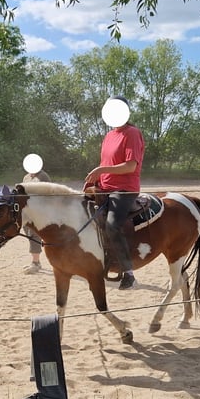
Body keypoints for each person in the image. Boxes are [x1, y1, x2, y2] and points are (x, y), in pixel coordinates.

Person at [85, 96, 145, 290]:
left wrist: (99, 171)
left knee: (112, 225)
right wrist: (95, 182)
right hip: (105, 188)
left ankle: (128, 273)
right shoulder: (109, 136)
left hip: (124, 190)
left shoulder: (132, 133)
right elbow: (107, 164)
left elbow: (130, 166)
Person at [22, 167, 51, 274]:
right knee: (30, 235)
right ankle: (36, 261)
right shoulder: (26, 177)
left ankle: (35, 263)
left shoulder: (43, 176)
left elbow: (48, 193)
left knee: (34, 235)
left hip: (39, 210)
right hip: (27, 210)